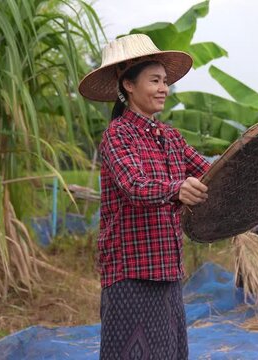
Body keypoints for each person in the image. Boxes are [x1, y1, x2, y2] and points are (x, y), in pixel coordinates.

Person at [78, 34, 210, 359]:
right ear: (128, 86)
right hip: (131, 271)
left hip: (166, 266)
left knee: (167, 351)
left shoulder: (170, 137)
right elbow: (135, 185)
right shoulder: (117, 135)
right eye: (155, 80)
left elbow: (211, 174)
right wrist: (177, 188)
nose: (164, 88)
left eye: (165, 81)